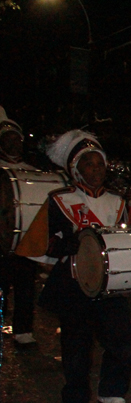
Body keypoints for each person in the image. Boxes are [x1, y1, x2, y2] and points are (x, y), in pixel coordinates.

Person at [35, 131, 131, 403]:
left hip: (111, 282)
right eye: (89, 164)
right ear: (76, 168)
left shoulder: (118, 202)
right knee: (76, 344)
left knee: (120, 340)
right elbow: (42, 242)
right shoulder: (59, 200)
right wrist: (66, 245)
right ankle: (75, 402)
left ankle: (112, 394)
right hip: (73, 281)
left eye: (100, 164)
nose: (96, 169)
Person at [0, 107, 40, 348]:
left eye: (17, 138)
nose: (14, 143)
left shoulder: (33, 171)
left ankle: (23, 331)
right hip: (1, 240)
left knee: (26, 286)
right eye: (8, 138)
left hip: (25, 241)